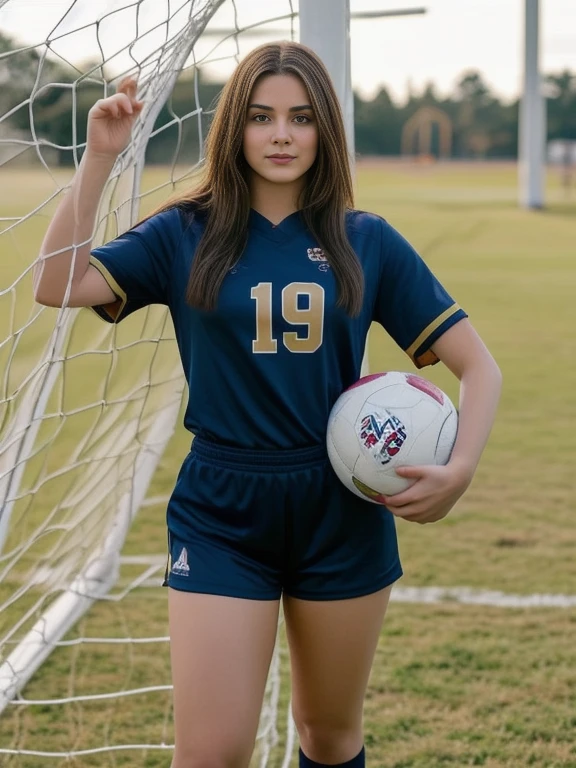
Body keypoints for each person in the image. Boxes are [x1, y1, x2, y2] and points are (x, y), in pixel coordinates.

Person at [34, 41, 502, 768]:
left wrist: (462, 467)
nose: (281, 134)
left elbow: (480, 366)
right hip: (222, 508)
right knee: (212, 754)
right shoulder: (184, 232)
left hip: (340, 507)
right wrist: (100, 158)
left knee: (329, 735)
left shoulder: (364, 240)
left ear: (325, 132)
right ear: (235, 129)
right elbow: (58, 283)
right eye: (260, 116)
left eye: (301, 117)